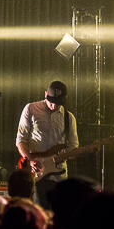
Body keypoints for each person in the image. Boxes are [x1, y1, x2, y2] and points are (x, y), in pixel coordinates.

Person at [16, 80, 78, 209]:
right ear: (45, 94)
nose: (54, 105)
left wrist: (85, 151)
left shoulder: (69, 118)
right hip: (36, 174)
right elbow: (21, 140)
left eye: (58, 102)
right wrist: (31, 160)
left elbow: (73, 147)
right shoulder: (31, 109)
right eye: (51, 101)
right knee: (37, 212)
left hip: (59, 176)